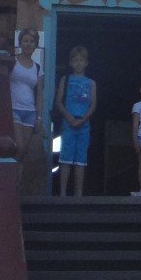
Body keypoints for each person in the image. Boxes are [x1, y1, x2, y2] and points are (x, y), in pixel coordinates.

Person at [54, 45, 97, 197]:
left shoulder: (91, 83)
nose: (78, 63)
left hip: (84, 125)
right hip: (68, 123)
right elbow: (59, 101)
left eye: (81, 60)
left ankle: (78, 196)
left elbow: (93, 105)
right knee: (65, 159)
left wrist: (83, 119)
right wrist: (69, 118)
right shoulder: (65, 80)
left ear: (86, 63)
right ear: (71, 63)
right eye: (75, 60)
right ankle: (63, 194)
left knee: (80, 161)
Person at [9, 28, 44, 162]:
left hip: (30, 112)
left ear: (36, 45)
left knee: (24, 153)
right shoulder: (13, 61)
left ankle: (17, 182)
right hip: (14, 109)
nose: (28, 44)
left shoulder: (38, 68)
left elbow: (39, 93)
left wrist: (39, 117)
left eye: (32, 41)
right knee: (20, 147)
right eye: (25, 41)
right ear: (20, 43)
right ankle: (10, 177)